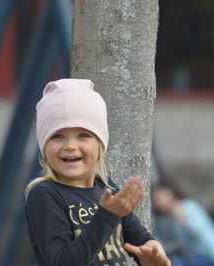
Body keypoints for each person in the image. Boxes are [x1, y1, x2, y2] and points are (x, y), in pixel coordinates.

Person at [25, 78, 171, 266]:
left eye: (83, 135)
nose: (70, 146)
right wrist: (108, 215)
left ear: (100, 144)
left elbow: (137, 235)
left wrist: (153, 250)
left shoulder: (105, 186)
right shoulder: (44, 195)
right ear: (44, 148)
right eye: (57, 136)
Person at [152, 184, 214, 266]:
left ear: (169, 194)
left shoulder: (188, 207)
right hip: (197, 257)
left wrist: (186, 220)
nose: (157, 203)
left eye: (158, 198)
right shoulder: (167, 218)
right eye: (155, 199)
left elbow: (202, 233)